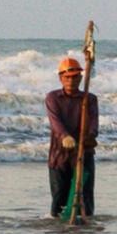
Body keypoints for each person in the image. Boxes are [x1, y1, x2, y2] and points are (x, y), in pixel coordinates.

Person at [45, 56, 97, 217]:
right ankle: (58, 229)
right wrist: (65, 137)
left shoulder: (89, 99)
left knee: (85, 195)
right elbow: (55, 121)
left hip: (83, 152)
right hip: (59, 154)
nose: (71, 81)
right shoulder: (53, 98)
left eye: (75, 77)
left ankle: (85, 228)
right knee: (60, 194)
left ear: (81, 78)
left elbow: (94, 123)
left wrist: (90, 136)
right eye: (67, 77)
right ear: (61, 78)